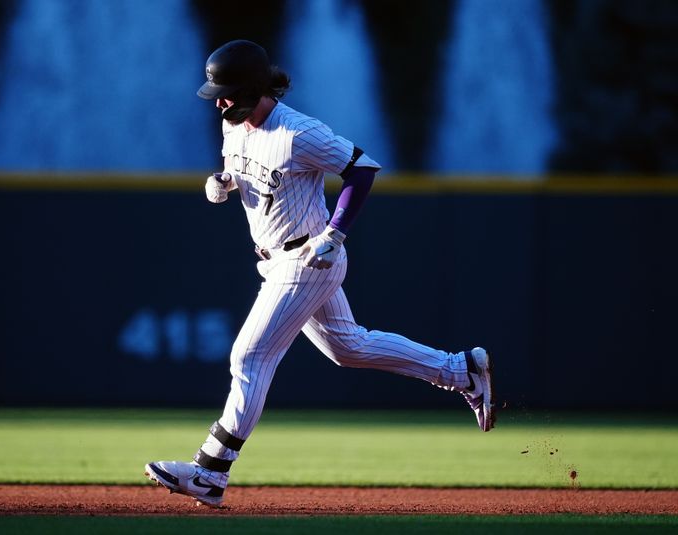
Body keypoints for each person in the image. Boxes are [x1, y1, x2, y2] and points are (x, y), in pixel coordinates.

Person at [145, 39, 495, 508]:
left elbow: (361, 169)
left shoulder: (297, 131)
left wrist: (336, 233)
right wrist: (225, 182)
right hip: (274, 259)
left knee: (248, 358)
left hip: (307, 258)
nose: (220, 102)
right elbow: (250, 172)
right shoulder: (235, 128)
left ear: (252, 88)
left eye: (226, 93)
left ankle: (210, 471)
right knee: (348, 347)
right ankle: (462, 371)